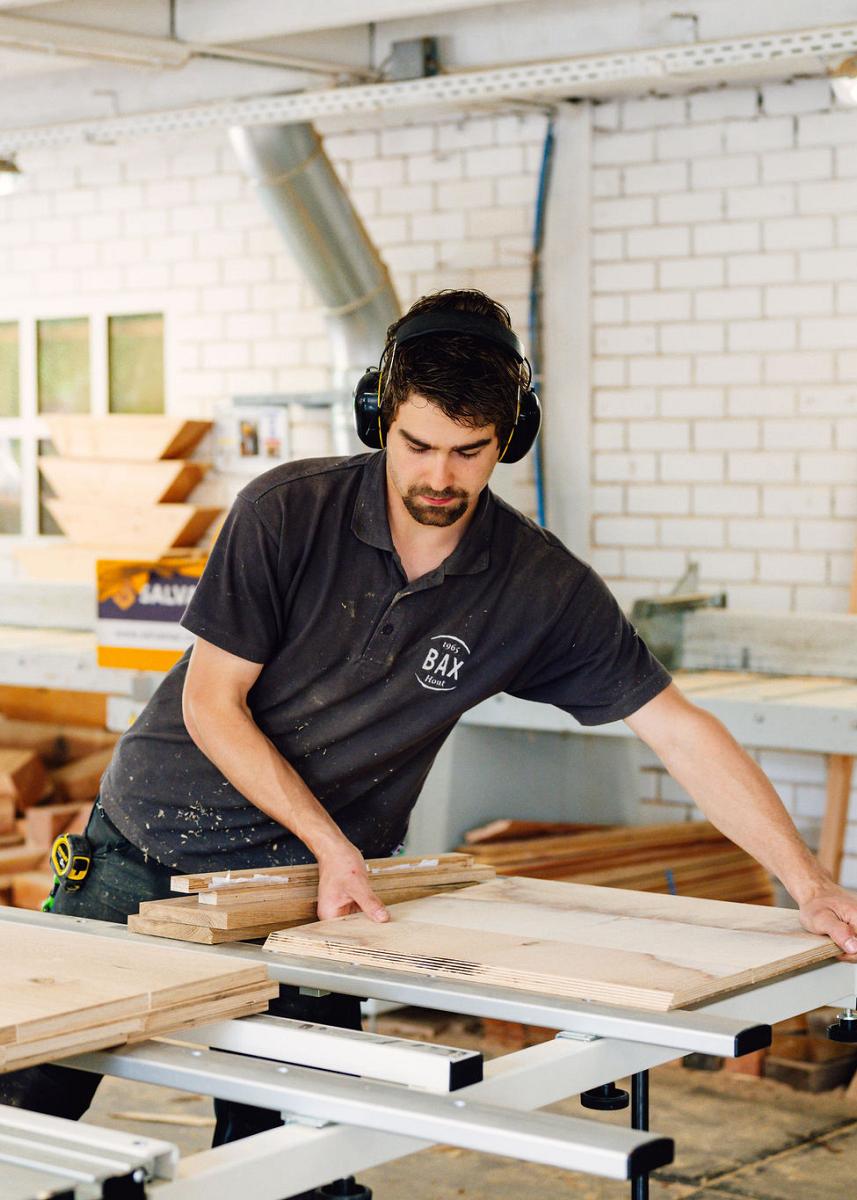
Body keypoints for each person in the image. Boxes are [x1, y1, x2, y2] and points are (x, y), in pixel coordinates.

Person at [3, 288, 857, 1196]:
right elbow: (215, 706)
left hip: (313, 903)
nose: (438, 477)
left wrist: (806, 882)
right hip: (146, 856)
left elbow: (675, 729)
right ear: (378, 417)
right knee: (29, 1112)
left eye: (468, 451)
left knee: (303, 1162)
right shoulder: (286, 512)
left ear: (510, 438)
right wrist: (334, 845)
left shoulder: (535, 584)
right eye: (415, 445)